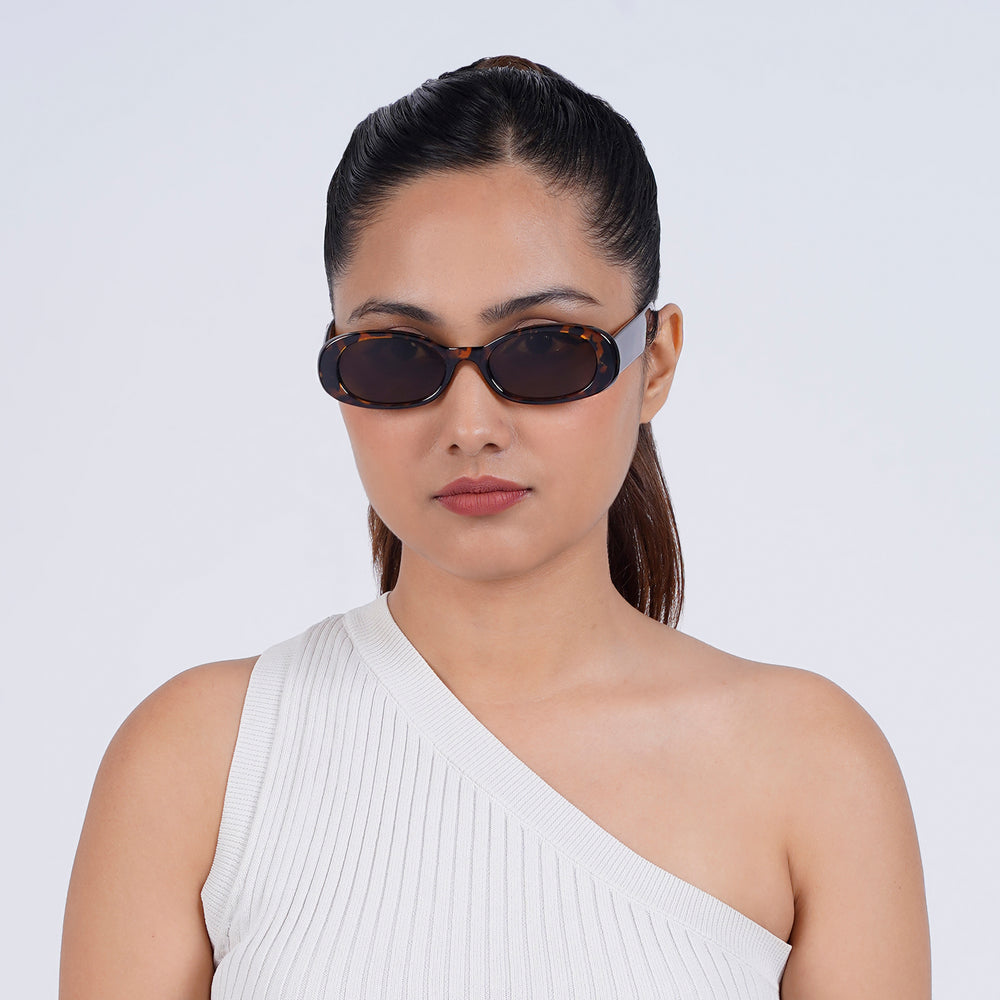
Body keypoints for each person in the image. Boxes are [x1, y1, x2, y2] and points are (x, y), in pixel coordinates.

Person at [59, 56, 931, 999]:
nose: (470, 425)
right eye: (398, 356)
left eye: (548, 349)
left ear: (655, 362)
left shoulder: (813, 769)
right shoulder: (200, 761)